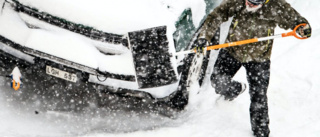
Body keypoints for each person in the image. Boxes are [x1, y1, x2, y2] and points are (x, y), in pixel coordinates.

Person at [195, 0, 311, 137]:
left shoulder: (276, 5)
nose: (249, 5)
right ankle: (235, 89)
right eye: (249, 1)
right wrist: (204, 37)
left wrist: (302, 27)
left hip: (259, 58)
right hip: (232, 50)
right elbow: (218, 14)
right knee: (217, 80)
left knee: (258, 98)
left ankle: (261, 132)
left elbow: (295, 20)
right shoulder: (238, 2)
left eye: (254, 3)